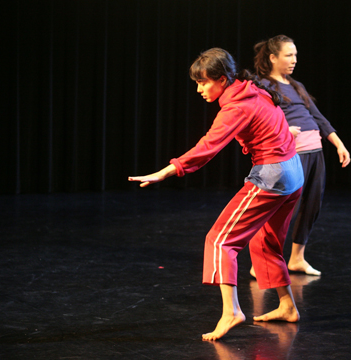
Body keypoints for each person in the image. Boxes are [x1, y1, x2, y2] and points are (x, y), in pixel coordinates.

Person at [128, 48, 304, 341]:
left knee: (220, 240)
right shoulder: (250, 89)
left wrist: (166, 171)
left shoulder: (236, 106)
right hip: (293, 173)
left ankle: (231, 311)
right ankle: (287, 306)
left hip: (274, 175)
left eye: (204, 82)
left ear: (222, 79)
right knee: (265, 239)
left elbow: (207, 146)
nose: (199, 89)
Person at [250, 35, 351, 277]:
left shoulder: (297, 86)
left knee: (312, 205)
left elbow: (318, 117)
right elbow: (260, 120)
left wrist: (338, 143)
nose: (294, 60)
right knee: (282, 209)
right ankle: (260, 262)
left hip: (315, 150)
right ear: (273, 57)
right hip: (291, 154)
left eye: (295, 55)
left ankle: (297, 258)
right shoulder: (263, 86)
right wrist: (284, 130)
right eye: (288, 55)